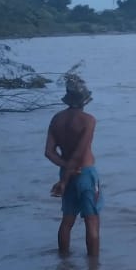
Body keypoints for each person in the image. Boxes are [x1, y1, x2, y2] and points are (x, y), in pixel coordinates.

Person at [46, 74, 101, 257]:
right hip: (85, 173)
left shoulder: (57, 119)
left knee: (67, 221)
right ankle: (94, 268)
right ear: (84, 99)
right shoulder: (89, 120)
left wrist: (65, 175)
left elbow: (49, 152)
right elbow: (80, 152)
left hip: (66, 174)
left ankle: (64, 262)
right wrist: (72, 170)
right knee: (91, 222)